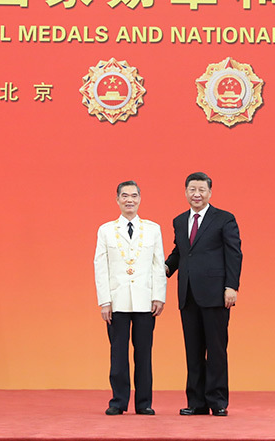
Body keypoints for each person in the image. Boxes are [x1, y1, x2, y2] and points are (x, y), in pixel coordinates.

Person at [165, 172, 242, 417]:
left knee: (216, 349)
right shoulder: (179, 220)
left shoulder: (224, 219)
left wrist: (231, 286)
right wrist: (164, 269)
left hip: (215, 294)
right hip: (188, 294)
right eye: (192, 190)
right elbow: (181, 252)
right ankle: (196, 402)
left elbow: (234, 253)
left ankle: (217, 401)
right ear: (185, 192)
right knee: (193, 350)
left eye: (201, 190)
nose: (196, 194)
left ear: (210, 192)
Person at [94, 180, 166, 415]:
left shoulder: (153, 229)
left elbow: (158, 264)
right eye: (124, 196)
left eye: (134, 196)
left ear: (140, 199)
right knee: (118, 354)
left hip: (145, 300)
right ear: (117, 200)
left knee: (144, 354)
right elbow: (100, 267)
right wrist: (105, 301)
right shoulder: (106, 230)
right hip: (117, 301)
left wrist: (159, 296)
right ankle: (118, 402)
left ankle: (144, 403)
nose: (129, 200)